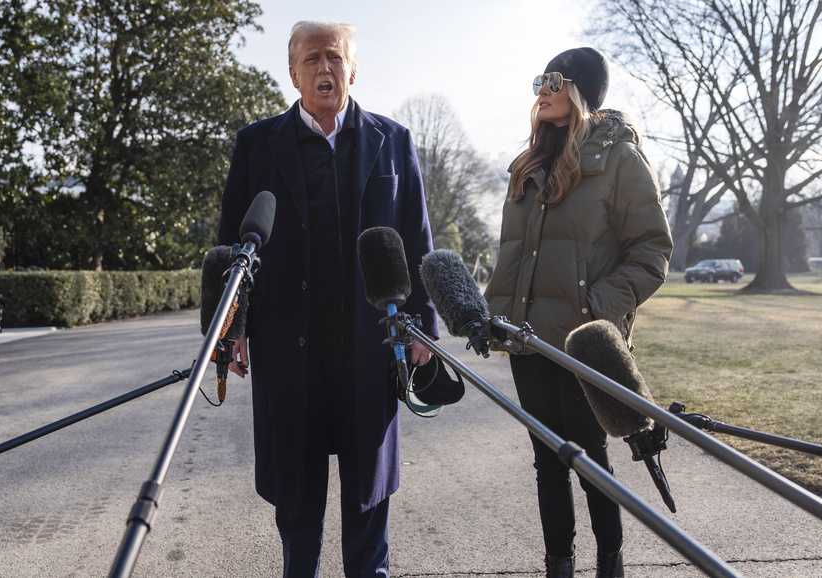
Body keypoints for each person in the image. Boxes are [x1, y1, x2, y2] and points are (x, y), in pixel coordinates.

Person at [217, 21, 437, 578]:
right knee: (297, 507)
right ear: (292, 72)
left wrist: (425, 328)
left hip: (370, 348)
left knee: (368, 508)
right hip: (289, 351)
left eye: (334, 58)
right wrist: (233, 328)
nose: (324, 68)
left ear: (353, 70)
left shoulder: (395, 141)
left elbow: (417, 239)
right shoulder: (255, 144)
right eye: (311, 58)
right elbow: (232, 243)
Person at [484, 47, 673, 578]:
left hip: (583, 343)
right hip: (528, 340)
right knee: (548, 461)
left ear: (579, 90)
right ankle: (558, 565)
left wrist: (596, 310)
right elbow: (514, 256)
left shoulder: (621, 160)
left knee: (589, 458)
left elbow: (653, 252)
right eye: (538, 80)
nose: (541, 89)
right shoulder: (527, 165)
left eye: (554, 80)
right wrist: (492, 314)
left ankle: (608, 563)